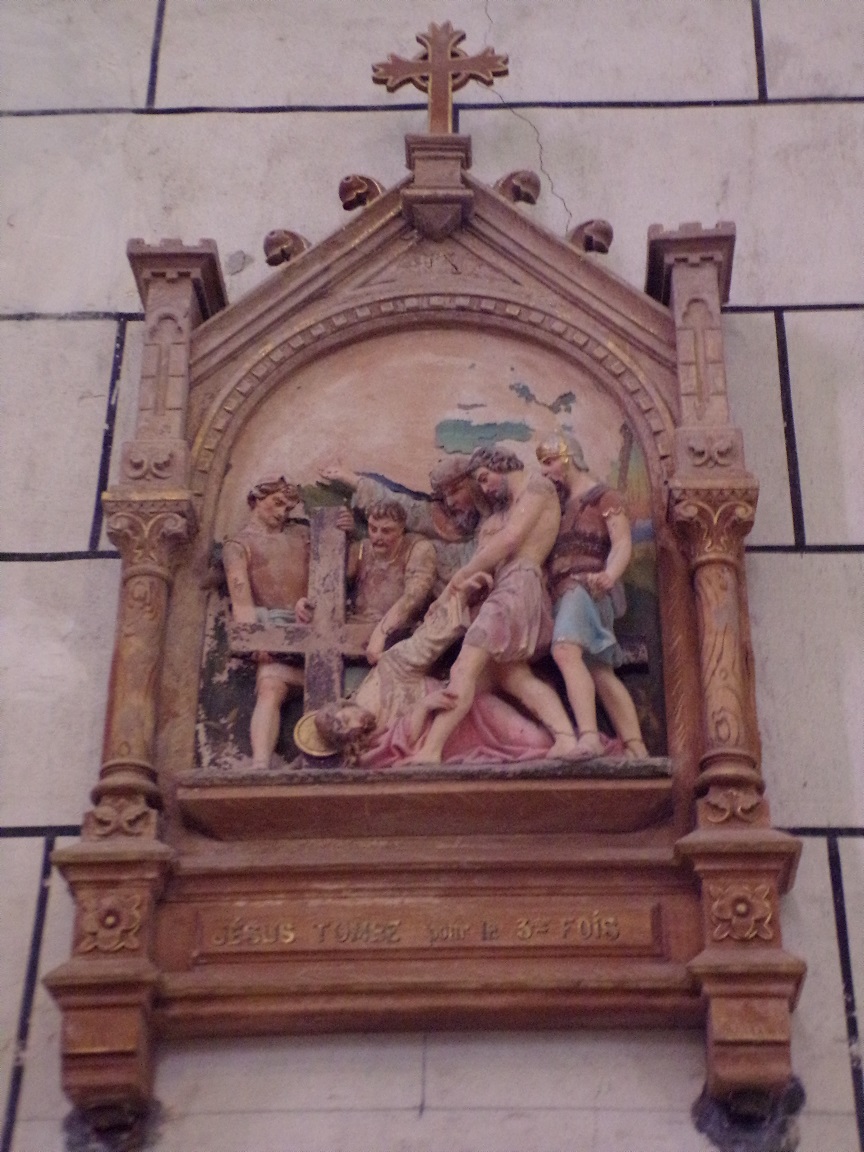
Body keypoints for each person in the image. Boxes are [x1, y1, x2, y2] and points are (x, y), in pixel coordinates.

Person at [402, 445, 583, 763]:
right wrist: (453, 593)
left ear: (499, 463)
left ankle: (431, 751)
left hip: (517, 588)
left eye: (485, 479)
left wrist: (462, 576)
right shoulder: (507, 507)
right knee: (514, 678)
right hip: (507, 588)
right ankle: (566, 738)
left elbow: (511, 539)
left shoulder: (536, 486)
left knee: (464, 668)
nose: (485, 489)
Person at [301, 574, 554, 767]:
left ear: (347, 705)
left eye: (347, 718)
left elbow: (425, 643)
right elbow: (392, 748)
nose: (354, 724)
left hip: (464, 714)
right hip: (445, 745)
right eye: (346, 731)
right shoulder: (364, 749)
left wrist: (460, 598)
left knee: (537, 744)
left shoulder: (387, 674)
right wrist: (423, 707)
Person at [536, 434, 648, 759]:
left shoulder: (603, 496)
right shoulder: (559, 506)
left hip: (586, 587)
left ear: (568, 457)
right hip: (563, 591)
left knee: (566, 651)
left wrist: (609, 575)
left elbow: (622, 542)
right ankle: (636, 746)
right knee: (598, 669)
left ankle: (588, 737)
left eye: (549, 461)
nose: (545, 471)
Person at [222, 475, 313, 770]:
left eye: (287, 508)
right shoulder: (240, 545)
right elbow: (242, 602)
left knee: (331, 681)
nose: (282, 512)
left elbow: (341, 572)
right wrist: (256, 639)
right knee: (271, 685)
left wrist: (345, 532)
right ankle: (261, 763)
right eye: (276, 503)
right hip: (273, 630)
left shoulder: (300, 538)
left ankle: (318, 752)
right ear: (255, 500)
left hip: (312, 625)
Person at [320, 455, 480, 592]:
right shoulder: (432, 514)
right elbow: (400, 504)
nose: (450, 502)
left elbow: (465, 562)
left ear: (475, 486)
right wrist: (352, 480)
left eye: (455, 491)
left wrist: (415, 546)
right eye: (445, 495)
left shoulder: (489, 524)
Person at [346, 499, 437, 663]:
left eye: (386, 531)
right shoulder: (361, 549)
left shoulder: (418, 549)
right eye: (373, 529)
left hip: (396, 637)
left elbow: (413, 597)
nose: (377, 537)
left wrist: (381, 632)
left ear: (401, 529)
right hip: (353, 635)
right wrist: (308, 605)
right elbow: (333, 591)